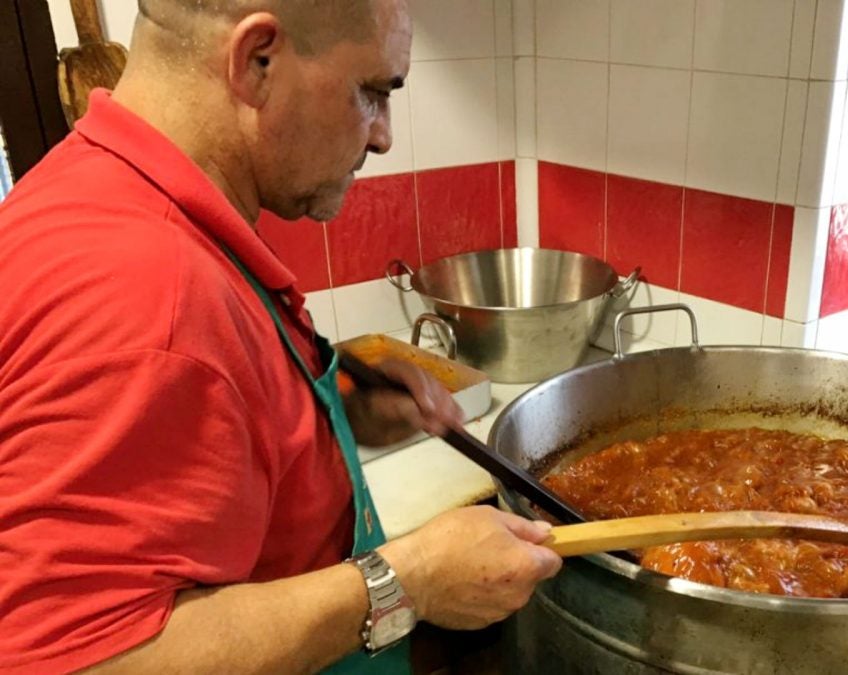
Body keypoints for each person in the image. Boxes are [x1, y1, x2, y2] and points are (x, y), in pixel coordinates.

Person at [0, 0, 562, 672]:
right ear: (256, 60)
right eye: (373, 91)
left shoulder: (109, 194)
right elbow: (89, 659)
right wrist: (406, 580)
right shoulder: (147, 290)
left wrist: (328, 419)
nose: (383, 135)